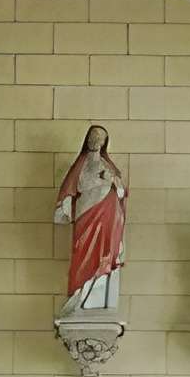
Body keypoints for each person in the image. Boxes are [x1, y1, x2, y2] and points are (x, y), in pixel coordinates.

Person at [54, 124, 126, 312]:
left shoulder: (108, 164)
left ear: (105, 142)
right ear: (87, 139)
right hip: (86, 212)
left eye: (101, 137)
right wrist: (101, 180)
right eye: (94, 136)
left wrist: (112, 180)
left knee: (104, 250)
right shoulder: (81, 164)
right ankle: (79, 294)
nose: (96, 140)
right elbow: (76, 185)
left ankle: (97, 296)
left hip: (108, 214)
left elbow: (121, 191)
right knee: (83, 250)